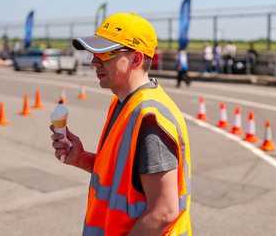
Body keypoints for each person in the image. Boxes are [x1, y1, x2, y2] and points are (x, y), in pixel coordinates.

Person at [50, 13, 191, 235]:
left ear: (135, 59)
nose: (94, 61)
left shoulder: (149, 118)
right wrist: (82, 158)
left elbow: (164, 212)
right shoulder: (123, 103)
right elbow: (124, 181)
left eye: (105, 53)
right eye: (94, 53)